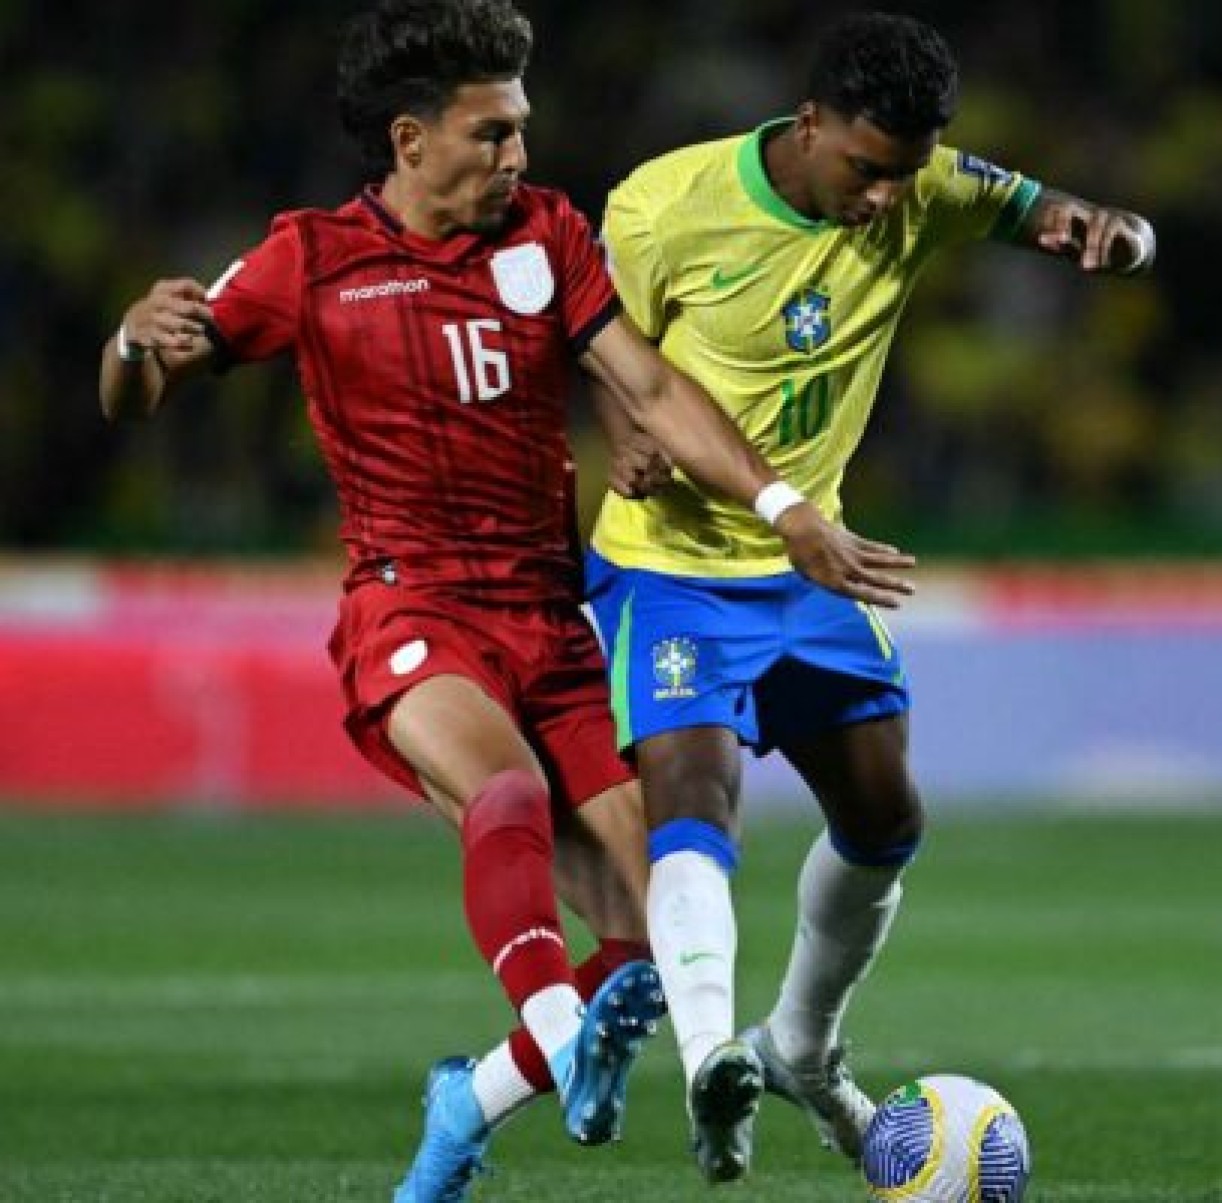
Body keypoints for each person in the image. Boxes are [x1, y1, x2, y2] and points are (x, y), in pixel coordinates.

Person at [96, 2, 914, 1201]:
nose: (519, 157)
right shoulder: (309, 259)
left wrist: (788, 507)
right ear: (411, 139)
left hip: (552, 615)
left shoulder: (546, 235)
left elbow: (650, 386)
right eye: (492, 134)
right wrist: (129, 342)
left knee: (657, 940)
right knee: (509, 788)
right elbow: (142, 391)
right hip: (411, 607)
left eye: (522, 129)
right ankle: (544, 1014)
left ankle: (467, 1100)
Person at [583, 10, 1158, 1184]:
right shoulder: (663, 204)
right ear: (808, 126)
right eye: (866, 170)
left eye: (906, 175)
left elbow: (1055, 214)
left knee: (888, 820)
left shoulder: (928, 183)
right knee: (695, 792)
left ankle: (798, 1042)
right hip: (671, 564)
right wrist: (627, 436)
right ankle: (708, 1057)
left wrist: (1111, 234)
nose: (888, 199)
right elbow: (603, 351)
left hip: (814, 565)